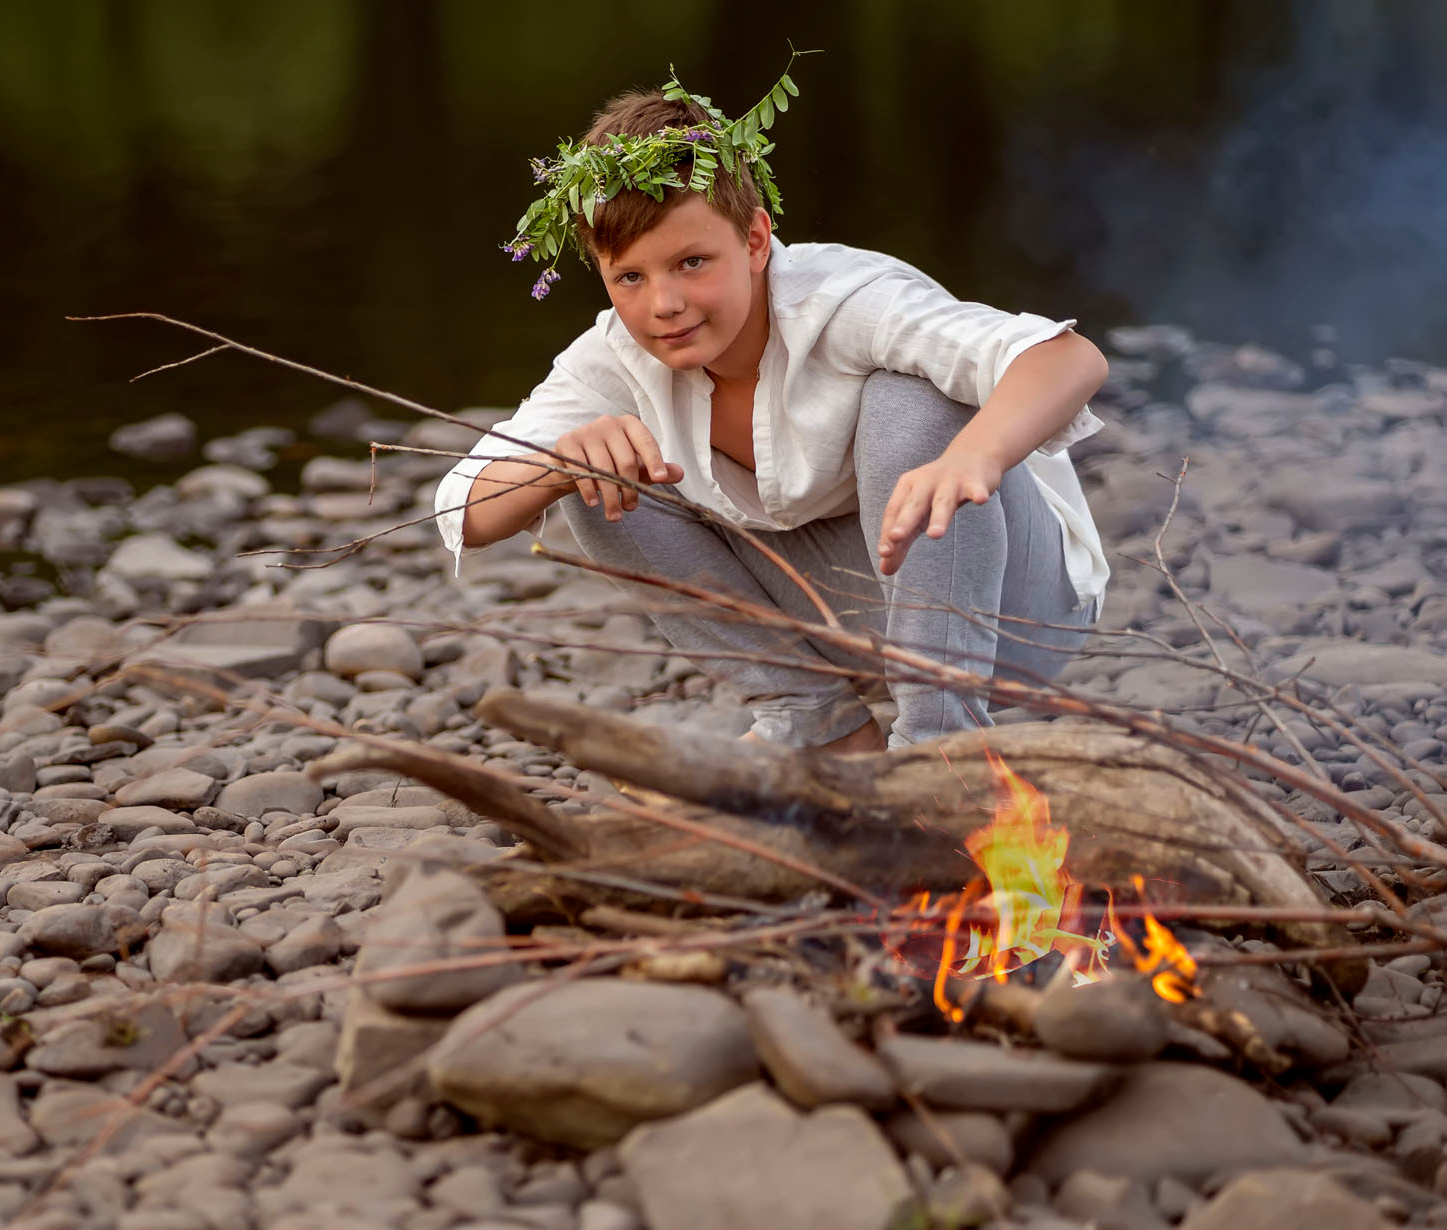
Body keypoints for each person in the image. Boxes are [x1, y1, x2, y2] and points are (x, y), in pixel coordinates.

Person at [434, 69, 1109, 752]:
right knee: (584, 465)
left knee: (911, 398)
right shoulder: (612, 358)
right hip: (859, 624)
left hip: (1015, 618)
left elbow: (1069, 358)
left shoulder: (846, 300)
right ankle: (814, 722)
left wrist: (973, 456)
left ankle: (939, 746)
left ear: (755, 240)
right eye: (630, 277)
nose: (664, 304)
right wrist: (558, 465)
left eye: (692, 262)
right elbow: (460, 506)